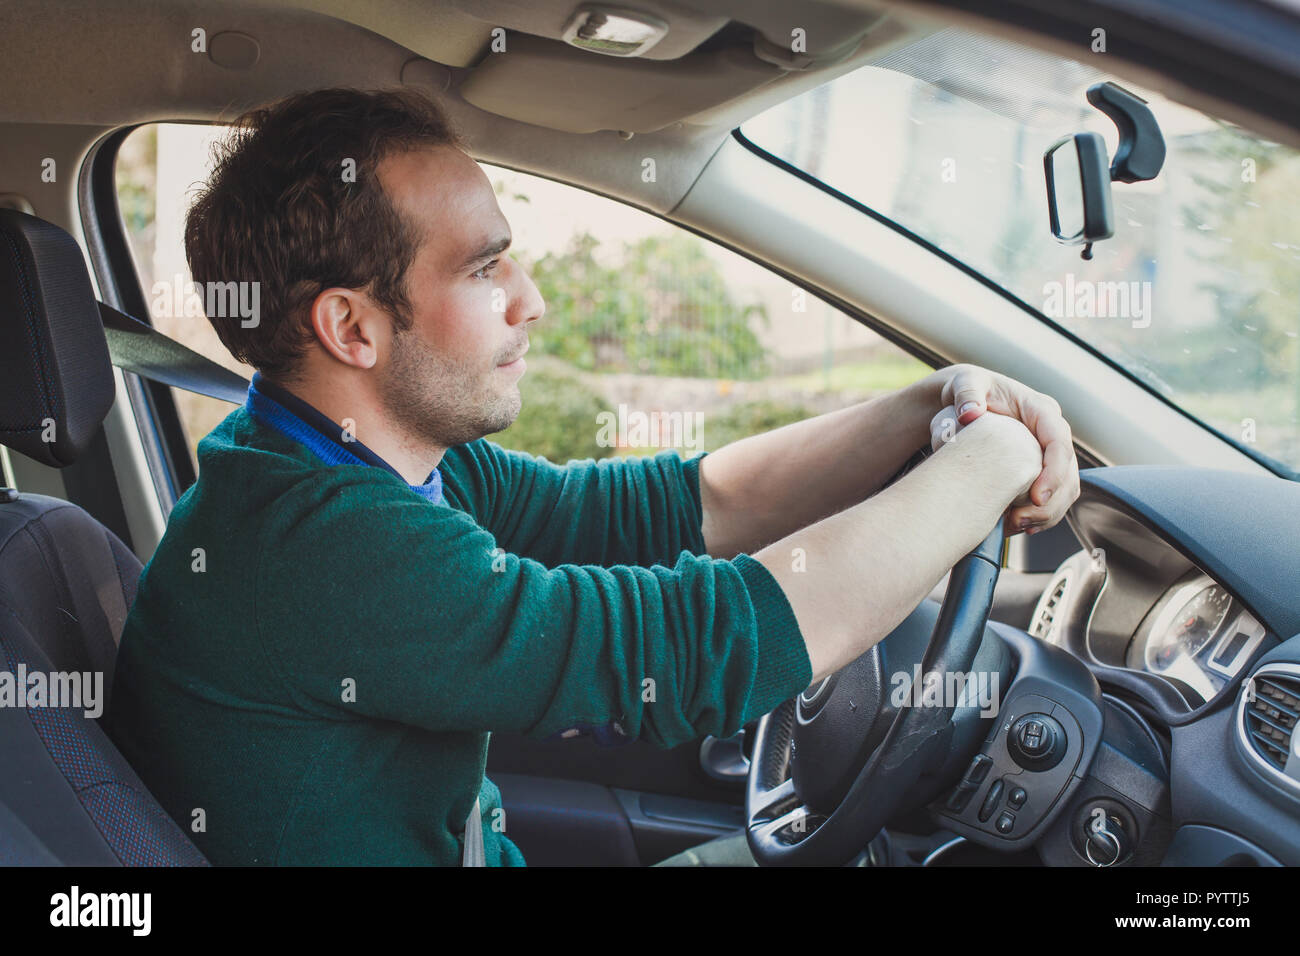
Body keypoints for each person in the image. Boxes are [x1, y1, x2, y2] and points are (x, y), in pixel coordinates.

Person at [106, 87, 1080, 867]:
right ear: (351, 327)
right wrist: (993, 458)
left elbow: (686, 504)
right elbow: (700, 649)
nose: (532, 301)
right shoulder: (322, 545)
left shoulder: (355, 453)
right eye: (486, 270)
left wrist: (932, 403)